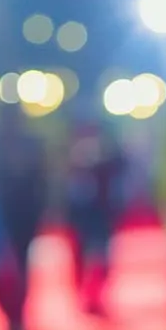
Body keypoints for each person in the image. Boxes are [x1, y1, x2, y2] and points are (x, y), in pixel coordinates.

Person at [0, 104, 48, 330]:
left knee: (20, 268)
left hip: (24, 218)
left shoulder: (32, 145)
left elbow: (42, 180)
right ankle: (10, 316)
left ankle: (18, 319)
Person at [64, 121, 127, 317]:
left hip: (101, 214)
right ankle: (84, 293)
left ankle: (97, 294)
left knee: (102, 256)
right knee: (82, 257)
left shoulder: (107, 155)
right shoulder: (71, 157)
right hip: (81, 216)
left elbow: (120, 168)